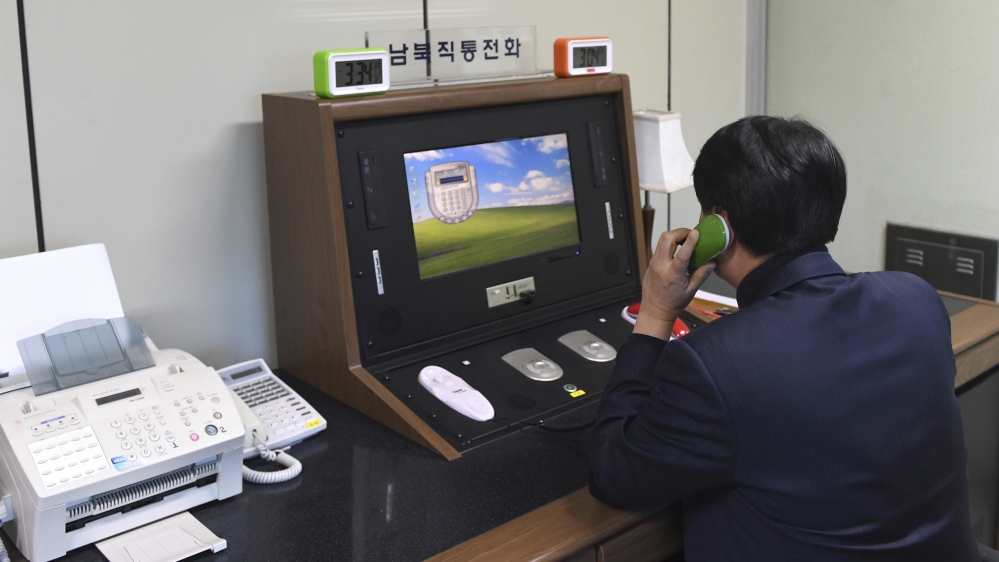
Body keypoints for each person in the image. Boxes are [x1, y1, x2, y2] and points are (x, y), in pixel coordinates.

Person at [589, 116, 979, 560]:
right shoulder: (916, 299)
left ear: (719, 227)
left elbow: (613, 475)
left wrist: (656, 312)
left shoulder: (713, 365)